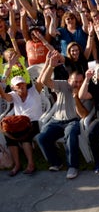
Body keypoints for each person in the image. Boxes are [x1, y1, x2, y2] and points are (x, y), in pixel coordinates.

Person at [36, 51, 90, 180]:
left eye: (79, 82)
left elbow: (83, 115)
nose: (77, 84)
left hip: (73, 121)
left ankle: (73, 166)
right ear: (68, 80)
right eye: (74, 81)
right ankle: (56, 163)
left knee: (71, 134)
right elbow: (44, 81)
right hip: (56, 121)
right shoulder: (62, 84)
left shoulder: (85, 91)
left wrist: (76, 97)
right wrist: (51, 66)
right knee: (41, 137)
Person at [0, 76, 44, 177]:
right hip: (20, 123)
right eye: (18, 85)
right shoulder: (13, 95)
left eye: (22, 84)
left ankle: (31, 164)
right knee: (7, 134)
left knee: (25, 136)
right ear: (13, 88)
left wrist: (48, 64)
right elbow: (4, 96)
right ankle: (17, 165)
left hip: (35, 122)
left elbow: (42, 78)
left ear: (25, 84)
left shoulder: (34, 91)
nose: (21, 86)